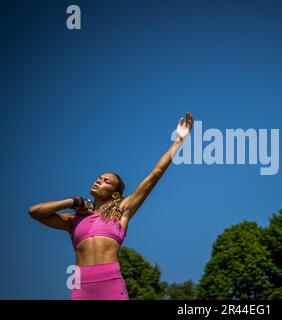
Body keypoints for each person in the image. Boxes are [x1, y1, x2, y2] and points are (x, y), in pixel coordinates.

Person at [28, 112, 194, 300]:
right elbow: (34, 212)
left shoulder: (122, 211)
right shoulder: (74, 220)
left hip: (111, 284)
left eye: (106, 181)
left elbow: (155, 174)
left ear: (115, 193)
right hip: (81, 288)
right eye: (98, 178)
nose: (98, 181)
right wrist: (73, 202)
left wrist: (179, 140)